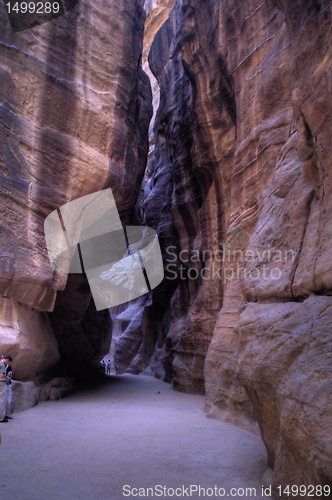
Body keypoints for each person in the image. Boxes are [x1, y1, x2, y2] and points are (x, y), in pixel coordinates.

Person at [0, 358, 8, 423]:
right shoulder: (1, 364)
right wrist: (7, 378)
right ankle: (1, 417)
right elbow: (1, 375)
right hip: (1, 383)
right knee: (2, 400)